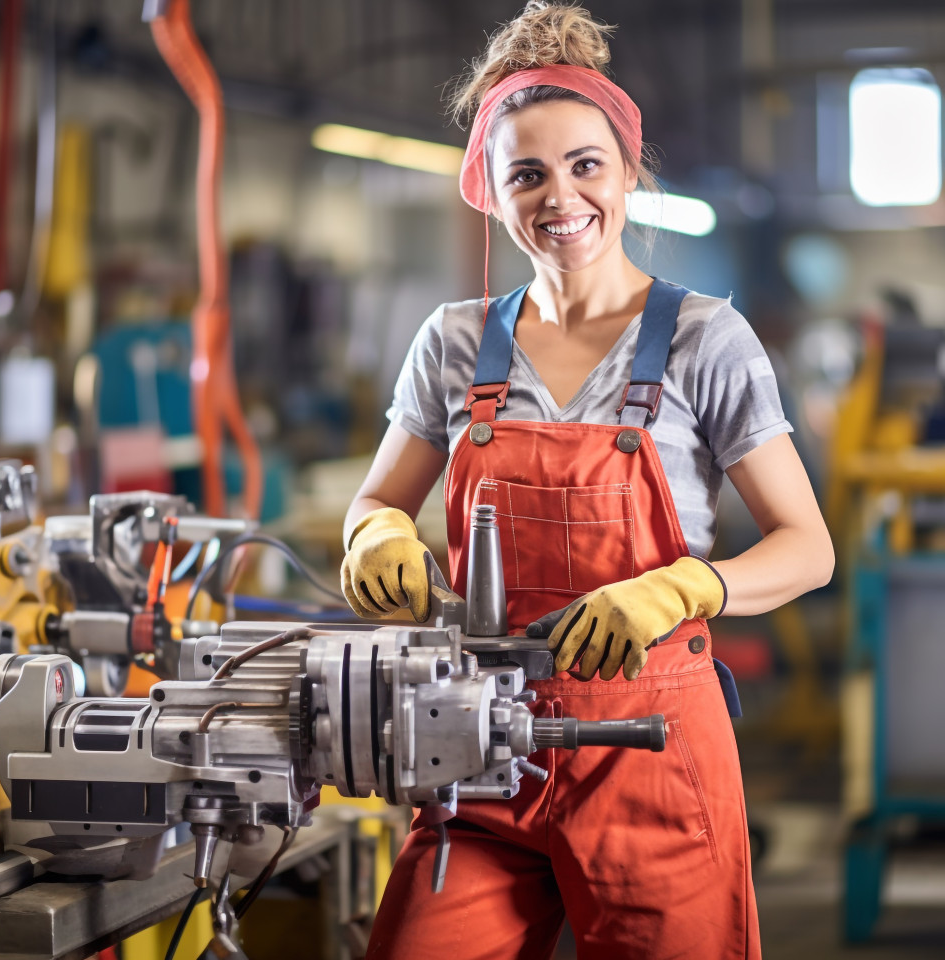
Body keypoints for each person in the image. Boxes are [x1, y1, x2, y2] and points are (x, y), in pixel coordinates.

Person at [340, 3, 834, 958]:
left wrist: (683, 585)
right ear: (490, 189)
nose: (559, 195)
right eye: (526, 172)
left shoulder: (704, 339)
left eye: (584, 165)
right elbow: (376, 500)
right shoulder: (453, 341)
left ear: (628, 173)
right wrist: (377, 536)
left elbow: (806, 547)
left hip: (650, 742)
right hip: (479, 741)